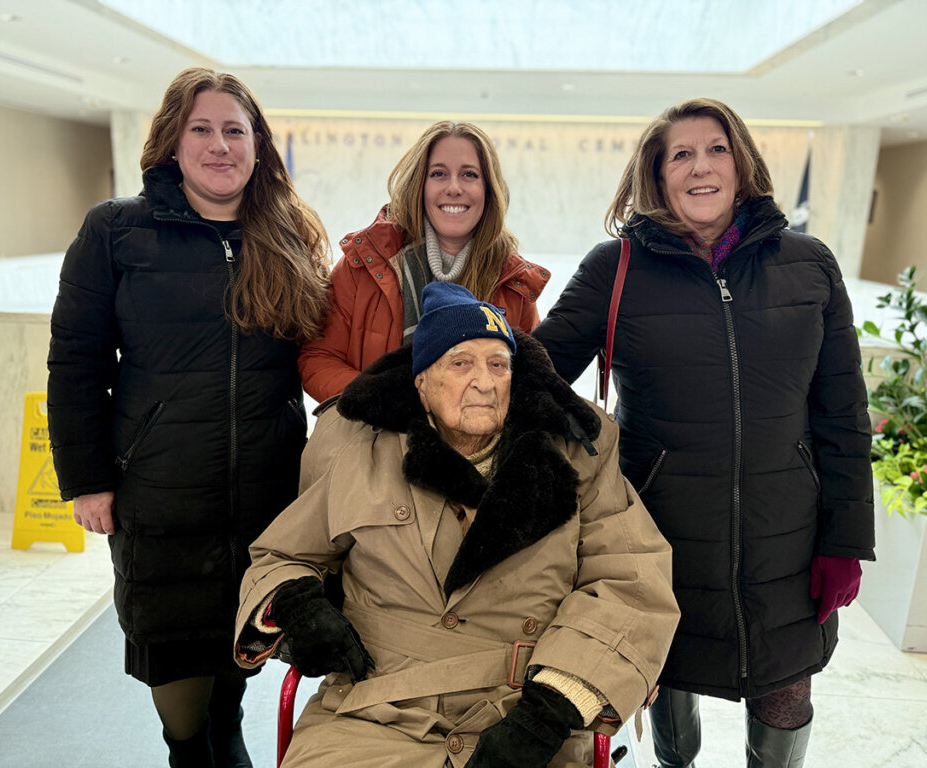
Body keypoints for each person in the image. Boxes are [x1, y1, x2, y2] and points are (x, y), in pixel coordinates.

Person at [532, 98, 875, 768]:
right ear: (656, 176)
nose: (700, 166)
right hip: (659, 539)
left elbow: (843, 411)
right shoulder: (617, 268)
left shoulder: (809, 264)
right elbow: (534, 379)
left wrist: (846, 540)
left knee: (787, 695)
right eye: (679, 155)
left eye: (716, 148)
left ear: (742, 162)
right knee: (666, 683)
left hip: (789, 538)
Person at [234, 282, 680, 767]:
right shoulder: (357, 449)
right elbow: (283, 554)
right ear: (421, 384)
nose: (485, 382)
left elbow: (632, 581)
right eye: (460, 362)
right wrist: (298, 605)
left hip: (523, 717)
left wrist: (552, 709)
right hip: (373, 715)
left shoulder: (576, 455)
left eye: (498, 364)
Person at [47, 67, 330, 768]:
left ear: (259, 147)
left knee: (233, 690)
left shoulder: (287, 236)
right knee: (183, 720)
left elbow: (325, 351)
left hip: (265, 505)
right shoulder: (116, 232)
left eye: (235, 130)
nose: (219, 144)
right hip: (161, 504)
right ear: (172, 142)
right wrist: (87, 479)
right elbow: (77, 362)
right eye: (201, 128)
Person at [297, 120, 549, 402]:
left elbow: (532, 381)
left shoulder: (514, 282)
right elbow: (319, 358)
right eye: (439, 174)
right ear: (420, 184)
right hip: (374, 435)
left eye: (469, 175)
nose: (454, 188)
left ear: (489, 190)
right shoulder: (364, 264)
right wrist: (383, 402)